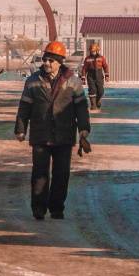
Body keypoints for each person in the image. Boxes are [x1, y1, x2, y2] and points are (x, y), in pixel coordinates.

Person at [14, 40, 91, 220]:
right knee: (39, 174)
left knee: (61, 174)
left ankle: (57, 208)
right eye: (45, 59)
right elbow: (24, 106)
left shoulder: (73, 82)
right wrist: (20, 128)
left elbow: (81, 107)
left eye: (51, 60)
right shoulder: (33, 82)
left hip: (64, 135)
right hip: (40, 134)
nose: (47, 63)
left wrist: (84, 129)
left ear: (59, 62)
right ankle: (39, 209)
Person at [80, 41, 110, 111]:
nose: (92, 52)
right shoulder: (87, 58)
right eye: (91, 51)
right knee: (92, 90)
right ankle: (93, 105)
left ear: (97, 50)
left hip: (99, 75)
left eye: (93, 51)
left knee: (100, 91)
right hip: (90, 75)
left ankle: (97, 100)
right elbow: (84, 69)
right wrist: (83, 78)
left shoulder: (101, 58)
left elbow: (105, 66)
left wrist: (107, 75)